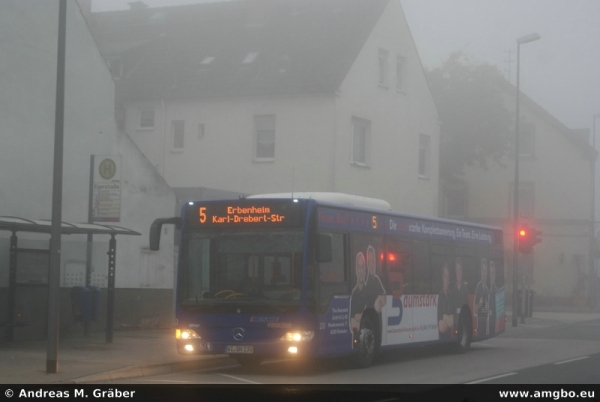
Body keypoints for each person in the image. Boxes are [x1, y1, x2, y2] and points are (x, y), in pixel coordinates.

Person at [365, 245, 387, 313]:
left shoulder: (376, 279)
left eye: (373, 261)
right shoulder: (364, 280)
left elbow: (384, 299)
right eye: (370, 261)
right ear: (367, 264)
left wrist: (378, 300)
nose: (372, 265)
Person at [350, 252, 368, 332]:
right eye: (359, 268)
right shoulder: (353, 293)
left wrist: (359, 317)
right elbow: (352, 318)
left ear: (365, 270)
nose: (361, 271)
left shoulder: (369, 291)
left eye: (362, 267)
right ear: (356, 270)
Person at [438, 262, 455, 340]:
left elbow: (453, 320)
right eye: (445, 276)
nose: (446, 280)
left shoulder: (451, 296)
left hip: (449, 336)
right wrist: (449, 319)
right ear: (442, 277)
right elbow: (441, 327)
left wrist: (445, 318)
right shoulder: (439, 296)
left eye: (448, 277)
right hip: (441, 337)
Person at [474, 258, 489, 336]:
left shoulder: (486, 288)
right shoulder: (478, 286)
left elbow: (487, 308)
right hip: (480, 322)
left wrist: (487, 306)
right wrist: (479, 303)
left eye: (485, 271)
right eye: (483, 270)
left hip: (485, 321)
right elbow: (474, 309)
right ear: (480, 272)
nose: (484, 273)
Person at [488, 260, 498, 336]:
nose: (492, 276)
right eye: (490, 273)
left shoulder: (497, 291)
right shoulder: (485, 290)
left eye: (493, 273)